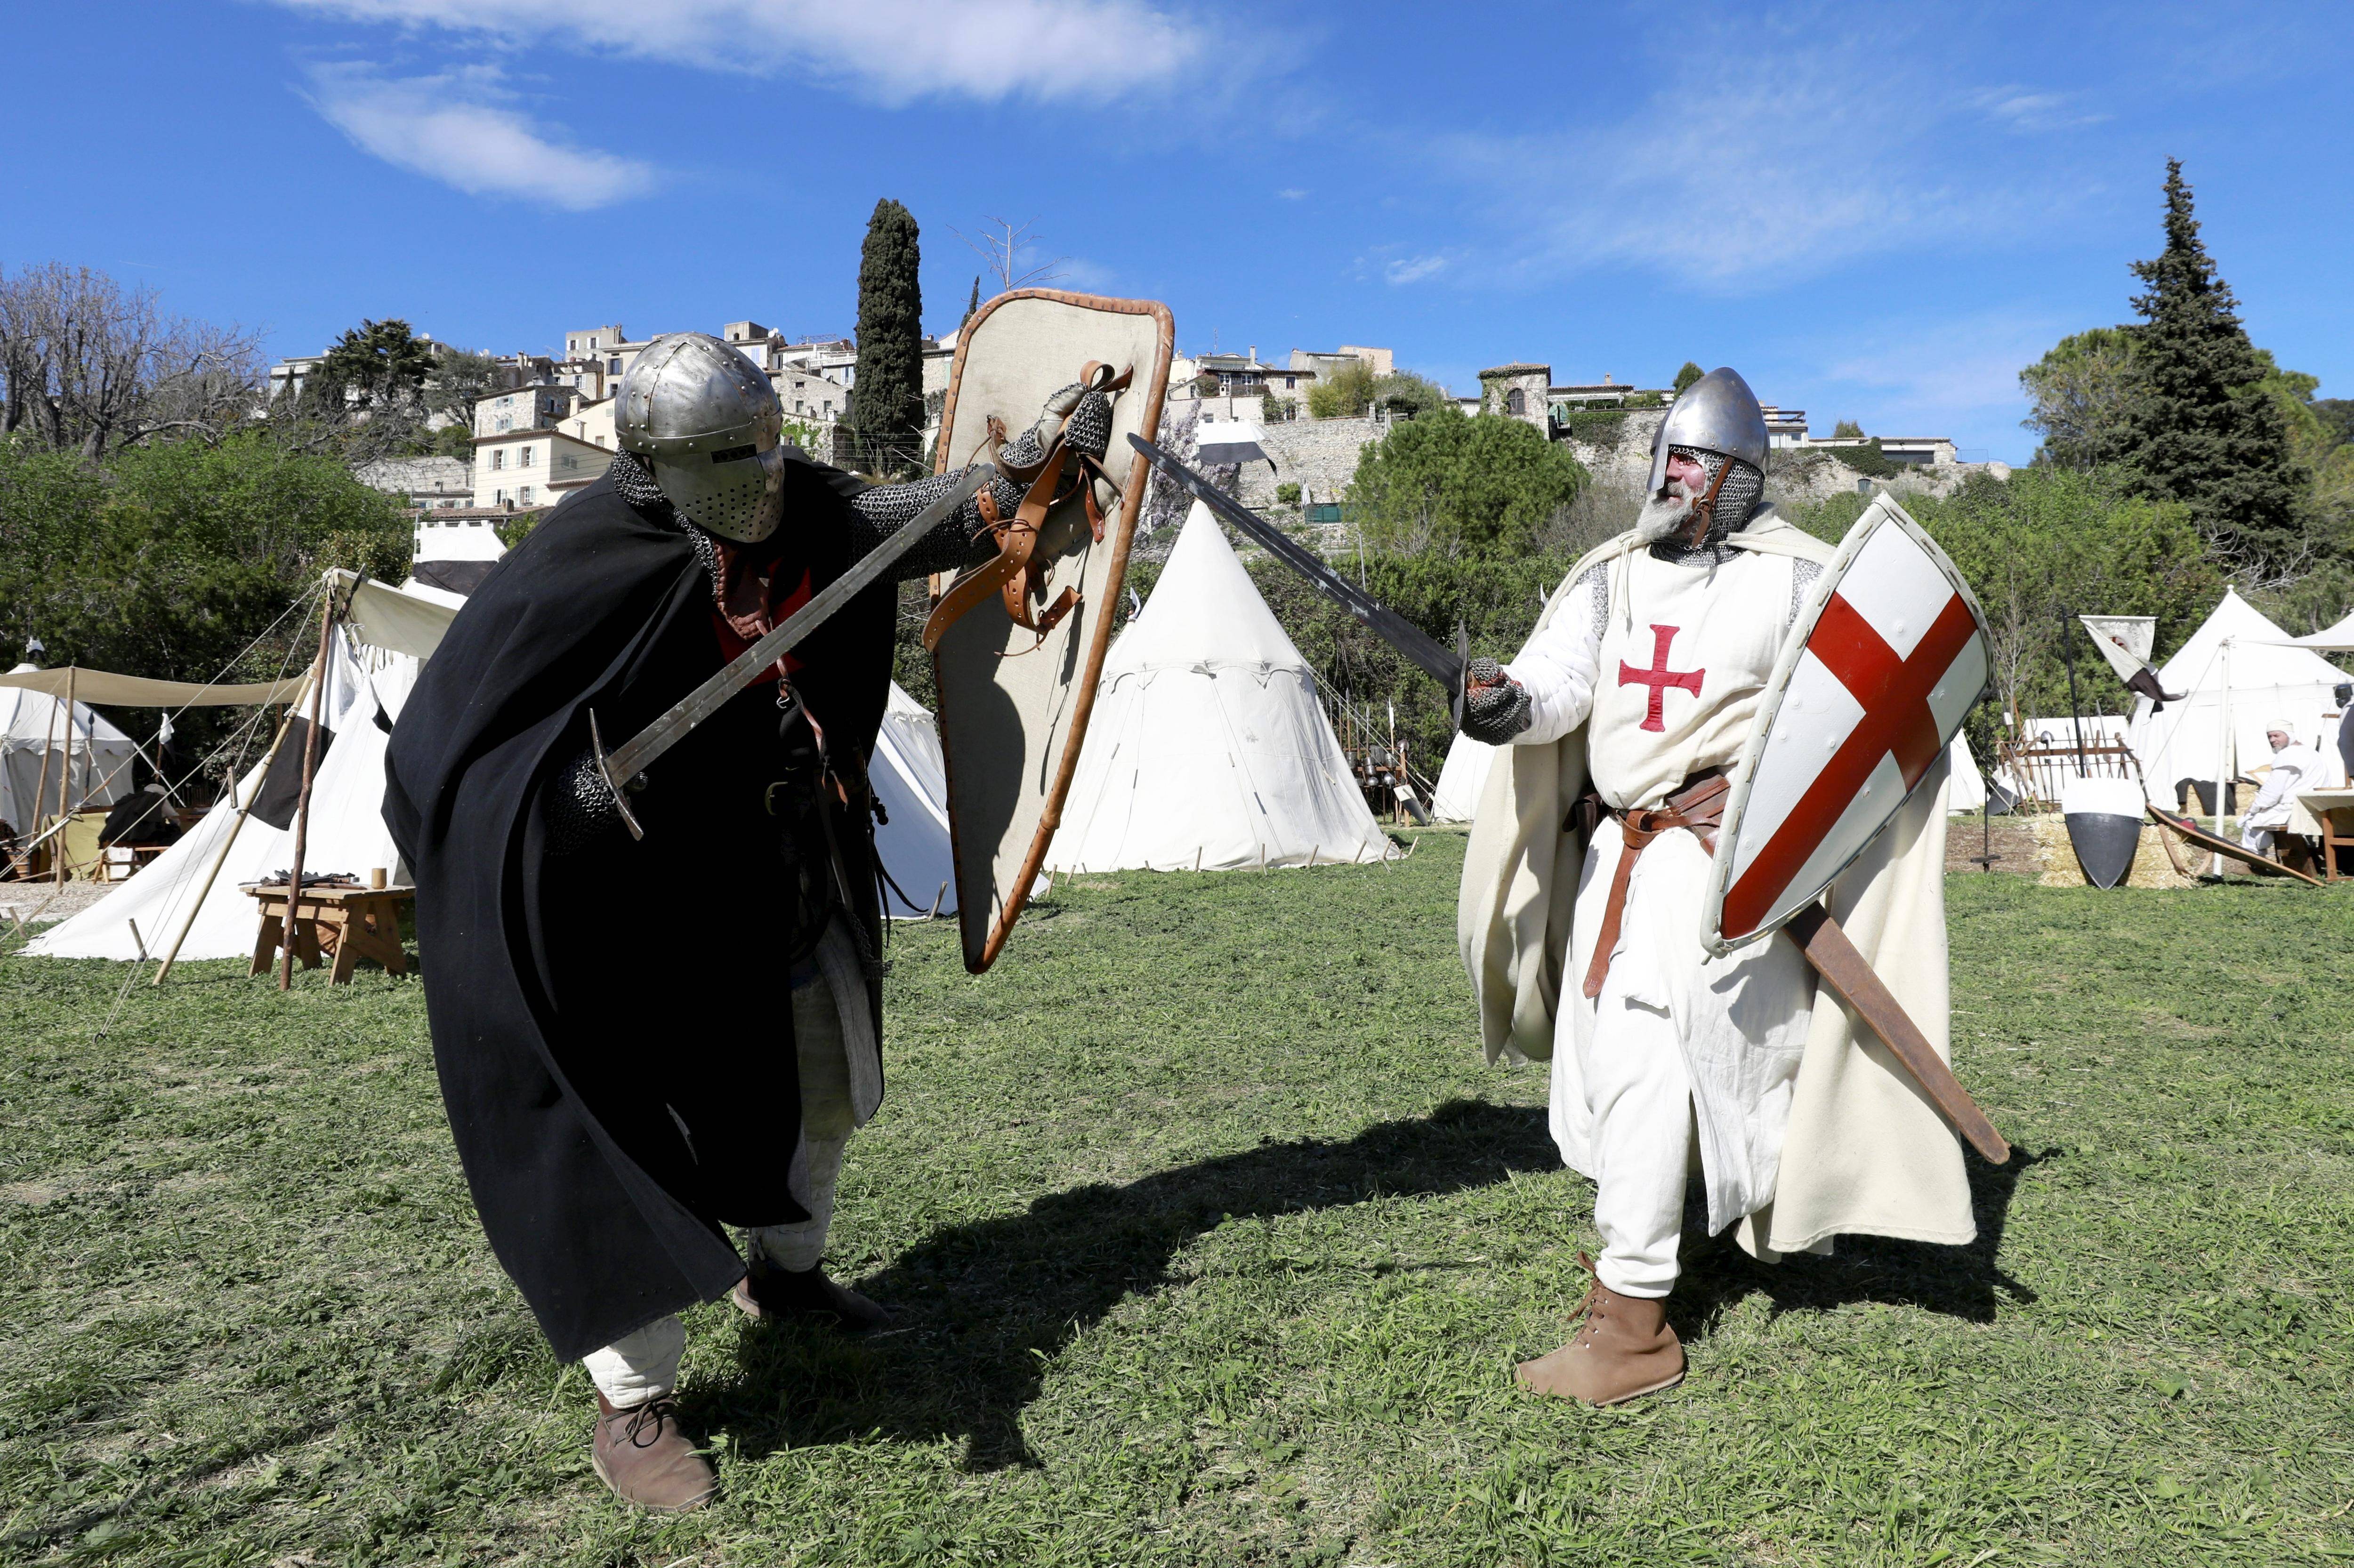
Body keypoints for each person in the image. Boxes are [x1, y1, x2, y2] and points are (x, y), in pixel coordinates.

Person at [385, 332, 1110, 1511]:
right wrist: (559, 798)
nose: (760, 474)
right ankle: (633, 1402)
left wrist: (1029, 463)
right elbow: (455, 753)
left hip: (779, 857)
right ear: (655, 456)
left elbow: (918, 526)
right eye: (731, 454)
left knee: (823, 1074)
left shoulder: (805, 510)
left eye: (770, 445)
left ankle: (790, 1274)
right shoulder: (576, 560)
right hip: (629, 903)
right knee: (628, 1136)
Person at [1455, 368, 1973, 1407]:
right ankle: (1649, 1244)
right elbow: (1559, 685)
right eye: (1666, 455)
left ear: (1742, 476)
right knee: (1617, 1058)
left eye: (1693, 459)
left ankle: (1634, 1319)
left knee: (1658, 1053)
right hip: (1617, 859)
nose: (1672, 474)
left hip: (1712, 868)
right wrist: (1506, 704)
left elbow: (1858, 714)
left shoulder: (1802, 581)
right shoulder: (1612, 574)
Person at [2238, 726, 2322, 858]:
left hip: (2291, 809)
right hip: (2311, 806)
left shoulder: (2287, 755)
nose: (2272, 740)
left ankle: (2254, 861)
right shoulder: (2312, 753)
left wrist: (2254, 808)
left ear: (2289, 735)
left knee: (2252, 821)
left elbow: (2272, 793)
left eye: (2277, 736)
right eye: (2270, 737)